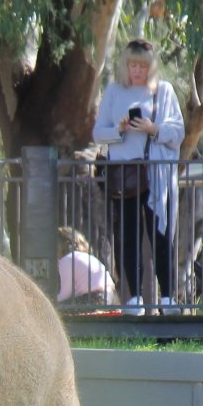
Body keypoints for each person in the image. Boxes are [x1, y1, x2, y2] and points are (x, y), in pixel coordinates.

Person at [92, 38, 184, 313]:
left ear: (151, 67)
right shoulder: (113, 91)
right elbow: (98, 133)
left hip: (155, 176)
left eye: (142, 66)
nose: (136, 71)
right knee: (128, 235)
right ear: (125, 65)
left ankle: (167, 297)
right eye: (132, 65)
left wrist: (153, 128)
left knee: (160, 234)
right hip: (125, 174)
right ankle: (133, 299)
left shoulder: (164, 92)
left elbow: (178, 131)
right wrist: (119, 129)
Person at [55, 226, 118, 307]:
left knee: (60, 307)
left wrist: (51, 302)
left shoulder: (67, 260)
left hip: (96, 298)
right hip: (112, 297)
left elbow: (66, 294)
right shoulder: (86, 257)